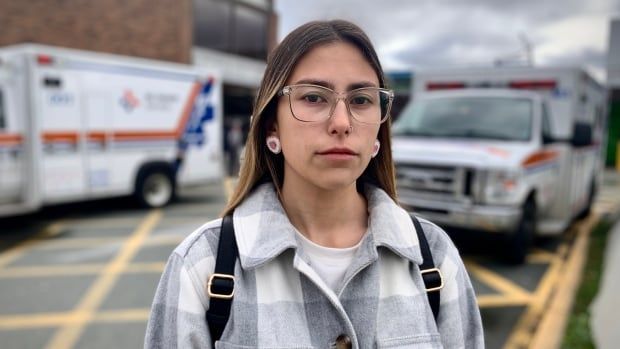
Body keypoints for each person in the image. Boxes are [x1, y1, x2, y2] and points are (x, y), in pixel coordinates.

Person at [145, 20, 484, 348]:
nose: (341, 123)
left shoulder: (435, 258)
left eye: (362, 100)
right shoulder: (201, 265)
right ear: (271, 127)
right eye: (313, 97)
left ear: (380, 128)